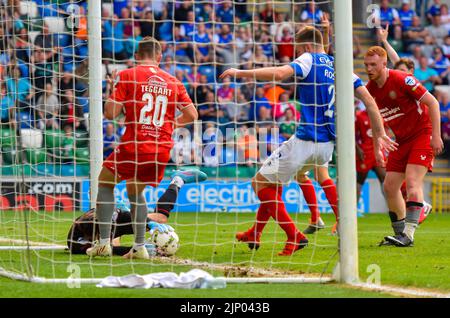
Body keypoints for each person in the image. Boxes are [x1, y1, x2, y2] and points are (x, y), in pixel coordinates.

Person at [220, 26, 396, 255]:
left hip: (305, 140)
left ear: (304, 46)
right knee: (275, 183)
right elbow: (370, 102)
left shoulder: (308, 58)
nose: (296, 54)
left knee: (259, 183)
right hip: (326, 146)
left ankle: (294, 236)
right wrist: (381, 132)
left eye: (297, 49)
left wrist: (240, 73)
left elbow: (282, 74)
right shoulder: (341, 65)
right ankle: (256, 232)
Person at [86, 37, 201, 259]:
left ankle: (103, 243)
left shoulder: (128, 75)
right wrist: (169, 124)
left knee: (104, 183)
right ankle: (138, 247)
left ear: (137, 55)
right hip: (160, 147)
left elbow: (110, 114)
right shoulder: (173, 81)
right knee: (135, 192)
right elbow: (192, 115)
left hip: (135, 143)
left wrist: (113, 90)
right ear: (159, 57)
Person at [363, 46, 443, 247]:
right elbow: (375, 121)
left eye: (373, 65)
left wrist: (436, 135)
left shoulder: (402, 79)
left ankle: (408, 235)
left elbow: (433, 103)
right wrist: (376, 149)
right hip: (400, 140)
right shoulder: (370, 89)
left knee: (413, 181)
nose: (369, 69)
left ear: (384, 63)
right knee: (389, 186)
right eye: (366, 65)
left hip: (422, 135)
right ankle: (399, 234)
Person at [68, 170, 207, 256]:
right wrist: (134, 248)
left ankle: (178, 180)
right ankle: (177, 180)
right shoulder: (78, 244)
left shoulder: (98, 220)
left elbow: (118, 218)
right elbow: (110, 250)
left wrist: (147, 223)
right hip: (112, 222)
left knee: (158, 219)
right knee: (160, 218)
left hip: (116, 216)